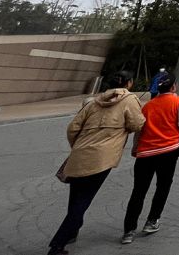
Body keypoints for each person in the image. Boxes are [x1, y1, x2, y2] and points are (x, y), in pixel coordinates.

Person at [47, 70, 144, 255]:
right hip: (102, 158)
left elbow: (73, 128)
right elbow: (137, 124)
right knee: (83, 200)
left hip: (79, 154)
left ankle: (72, 231)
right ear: (129, 83)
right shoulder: (129, 100)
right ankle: (58, 244)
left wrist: (78, 146)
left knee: (75, 197)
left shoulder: (94, 101)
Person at [122, 72, 179, 244]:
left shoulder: (148, 106)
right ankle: (152, 220)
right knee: (163, 186)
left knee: (138, 191)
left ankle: (128, 230)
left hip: (145, 153)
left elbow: (139, 128)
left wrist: (135, 148)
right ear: (174, 87)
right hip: (168, 151)